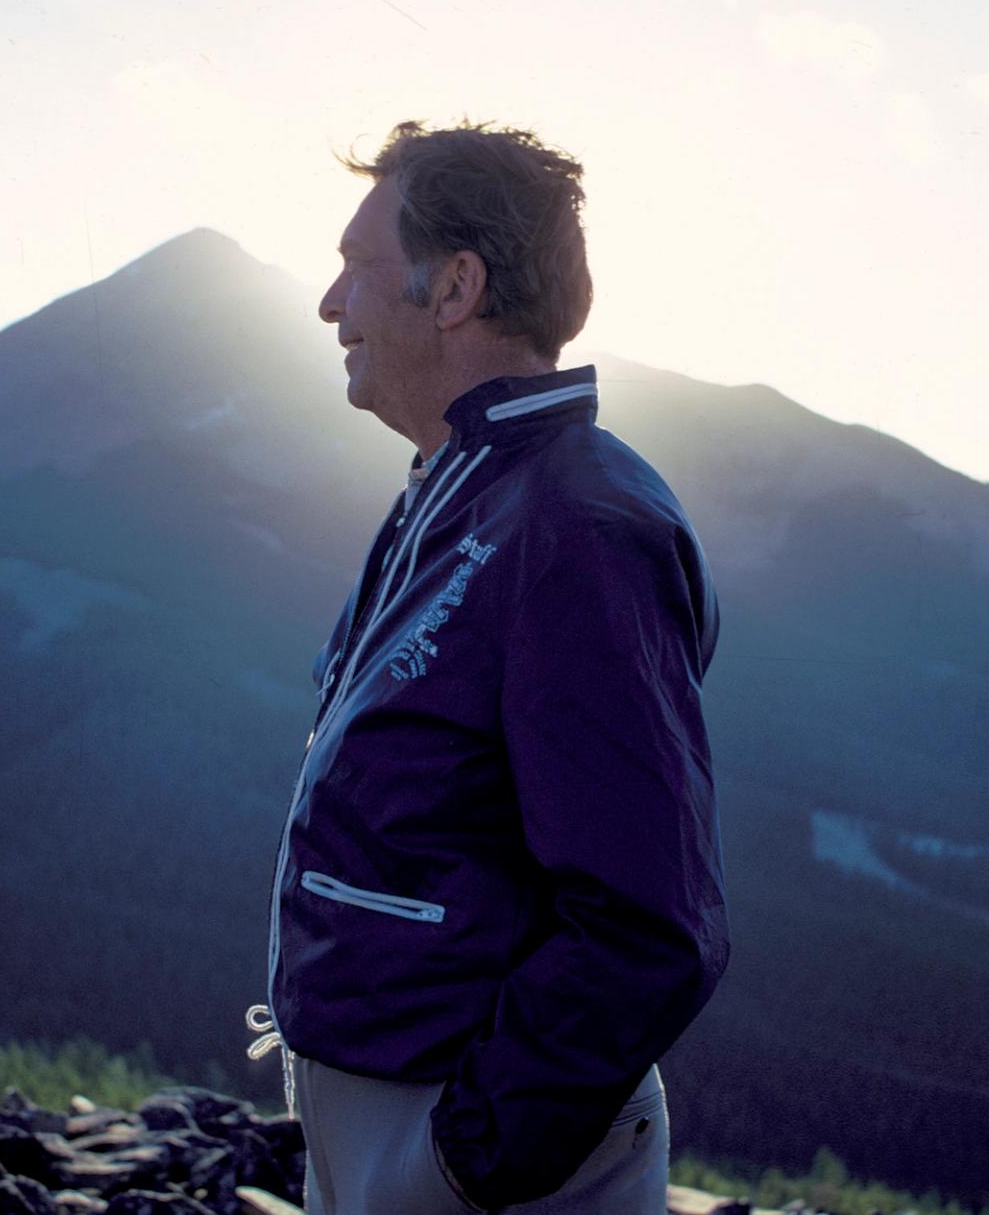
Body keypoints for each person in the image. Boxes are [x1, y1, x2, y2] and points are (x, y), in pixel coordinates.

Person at [246, 118, 730, 1214]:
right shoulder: (457, 487)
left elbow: (650, 923)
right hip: (400, 1141)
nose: (329, 305)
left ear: (454, 285)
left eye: (358, 269)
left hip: (477, 1162)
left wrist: (460, 1160)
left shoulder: (579, 523)